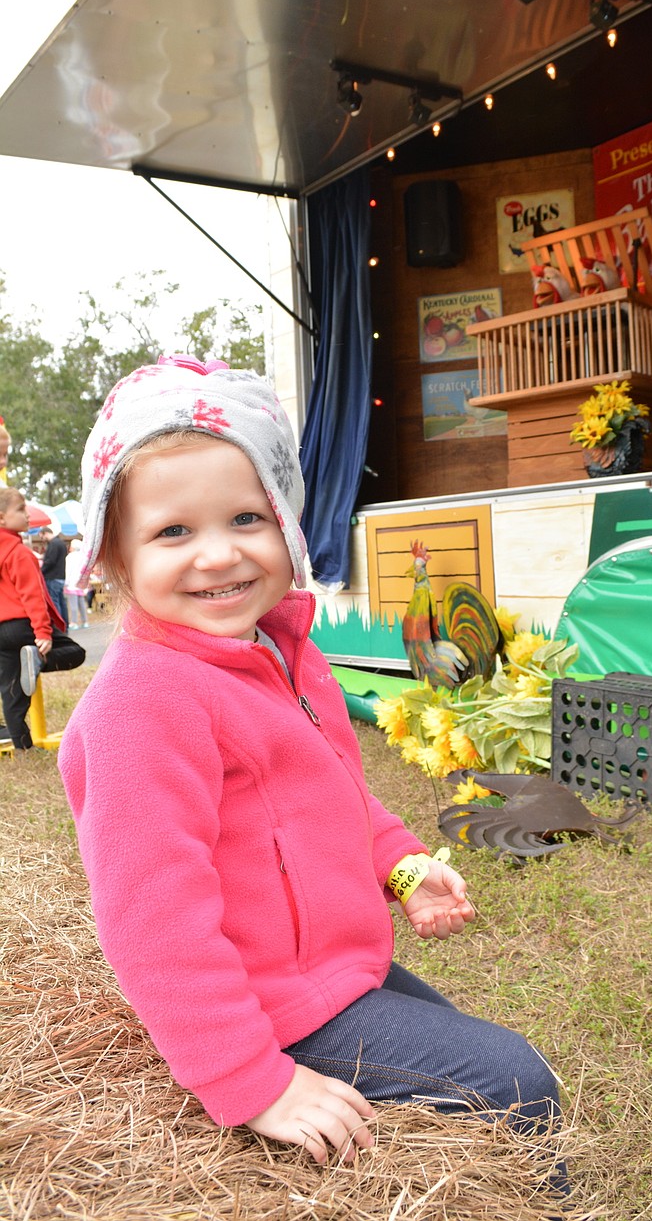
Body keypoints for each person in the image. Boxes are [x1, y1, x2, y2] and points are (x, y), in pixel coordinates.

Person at [58, 355, 564, 1176]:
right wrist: (253, 1080)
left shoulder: (280, 647)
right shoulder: (141, 704)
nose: (218, 555)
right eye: (173, 531)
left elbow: (332, 792)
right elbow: (151, 916)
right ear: (114, 555)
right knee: (517, 1083)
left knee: (480, 1055)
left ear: (288, 524)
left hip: (333, 967)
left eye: (247, 518)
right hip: (274, 1003)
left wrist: (399, 864)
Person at [0, 487, 86, 756]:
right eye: (20, 509)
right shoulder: (19, 552)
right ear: (2, 518)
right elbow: (32, 595)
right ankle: (37, 660)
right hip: (24, 624)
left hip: (2, 630)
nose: (27, 515)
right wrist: (43, 632)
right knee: (76, 653)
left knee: (11, 690)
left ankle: (23, 747)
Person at [41, 527, 69, 625]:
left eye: (42, 536)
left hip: (52, 577)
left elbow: (50, 561)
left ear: (45, 533)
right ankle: (65, 623)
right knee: (62, 602)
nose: (42, 539)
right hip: (61, 576)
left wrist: (41, 571)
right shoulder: (61, 543)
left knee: (55, 603)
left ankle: (58, 624)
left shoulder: (53, 544)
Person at [64, 539, 89, 629]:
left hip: (72, 583)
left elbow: (68, 570)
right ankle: (85, 621)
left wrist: (66, 583)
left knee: (72, 604)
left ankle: (74, 622)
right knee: (82, 604)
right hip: (81, 583)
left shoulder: (70, 557)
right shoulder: (83, 556)